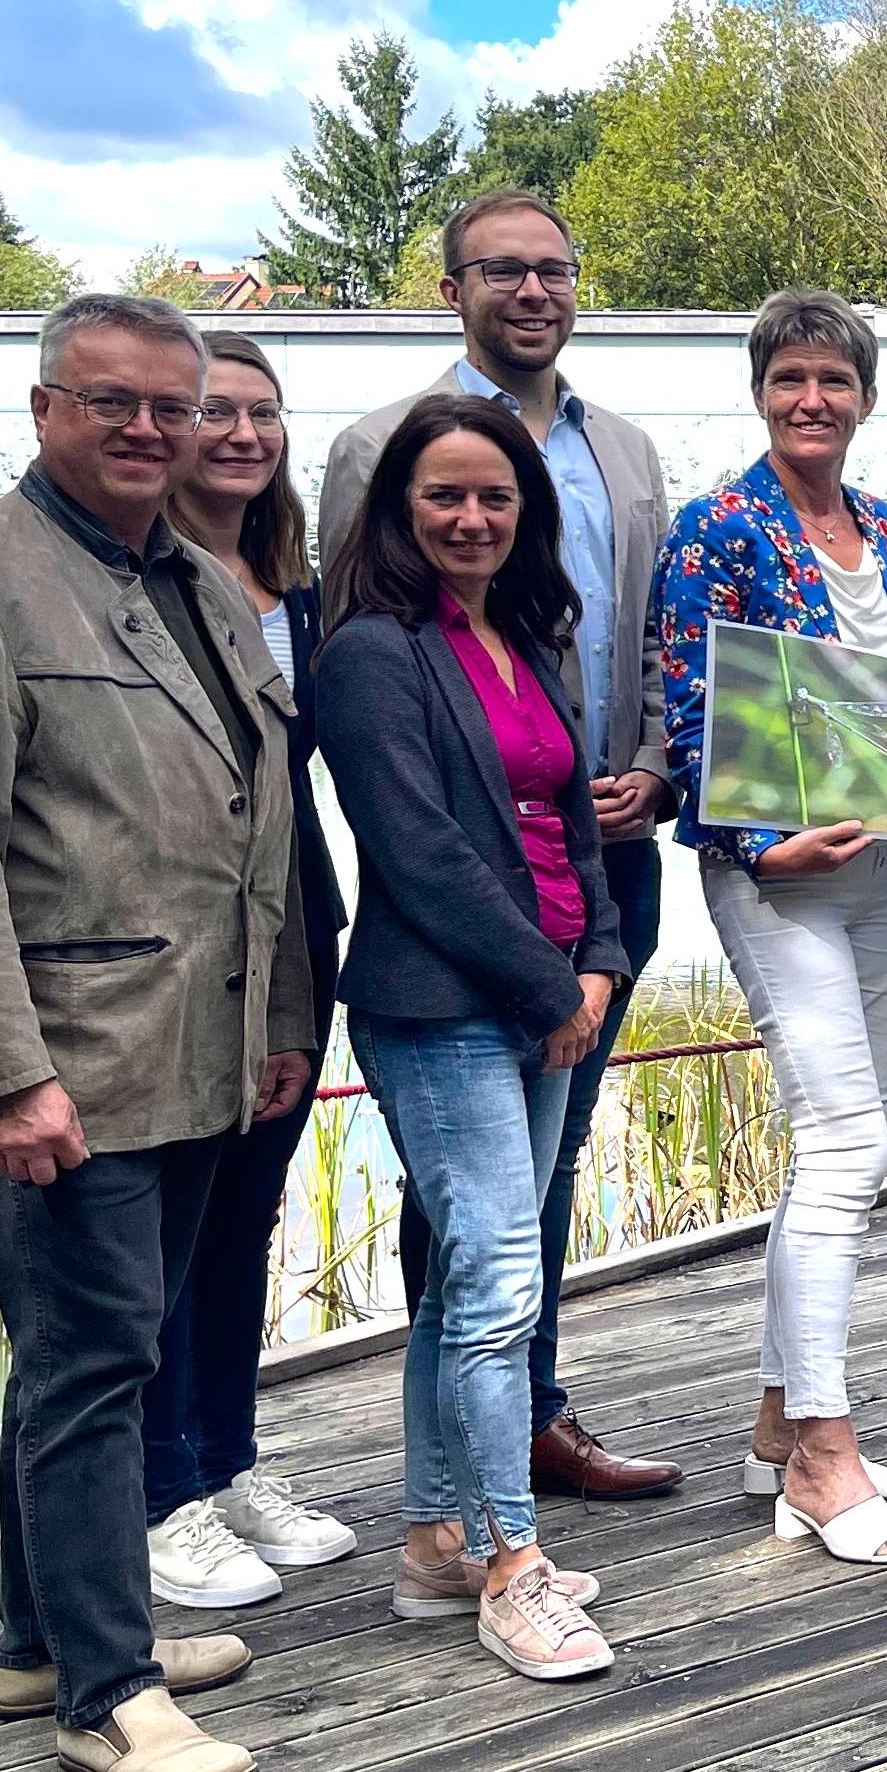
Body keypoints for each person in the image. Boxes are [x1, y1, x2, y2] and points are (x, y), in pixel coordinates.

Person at [0, 292, 310, 1772]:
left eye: (172, 408)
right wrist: (2, 1074)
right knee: (92, 1363)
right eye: (111, 402)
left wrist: (279, 1027)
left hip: (199, 1047)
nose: (148, 431)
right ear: (46, 406)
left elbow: (259, 838)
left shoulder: (194, 578)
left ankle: (42, 1638)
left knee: (93, 1355)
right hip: (72, 1059)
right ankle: (107, 1694)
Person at [323, 189, 682, 1505]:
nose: (534, 292)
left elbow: (646, 638)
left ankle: (528, 1415)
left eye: (556, 271)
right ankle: (480, 1487)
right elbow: (370, 688)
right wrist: (546, 977)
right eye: (504, 271)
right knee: (467, 1202)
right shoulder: (377, 445)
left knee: (550, 1164)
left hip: (597, 859)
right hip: (459, 903)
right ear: (452, 285)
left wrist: (651, 769)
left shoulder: (626, 452)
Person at [316, 395, 628, 1680]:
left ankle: (432, 1544)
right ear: (399, 509)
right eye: (443, 495)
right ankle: (512, 1562)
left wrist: (601, 956)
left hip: (556, 987)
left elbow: (574, 815)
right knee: (500, 1278)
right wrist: (547, 990)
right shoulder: (370, 654)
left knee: (465, 1283)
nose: (471, 517)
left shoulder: (531, 633)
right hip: (443, 1004)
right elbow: (420, 853)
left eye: (494, 497)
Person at [656, 292, 887, 1571]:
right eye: (790, 378)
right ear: (761, 390)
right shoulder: (716, 528)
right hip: (776, 872)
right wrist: (759, 842)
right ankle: (824, 1449)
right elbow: (692, 699)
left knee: (846, 1132)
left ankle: (777, 1415)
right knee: (849, 1143)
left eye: (834, 379)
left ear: (865, 397)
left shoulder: (884, 525)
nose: (811, 399)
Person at [143, 329, 356, 1612]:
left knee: (246, 1212)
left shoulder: (298, 583)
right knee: (166, 1220)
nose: (240, 435)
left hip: (296, 923)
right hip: (179, 932)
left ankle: (224, 1460)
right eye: (215, 411)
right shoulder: (134, 575)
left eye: (262, 415)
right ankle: (160, 1490)